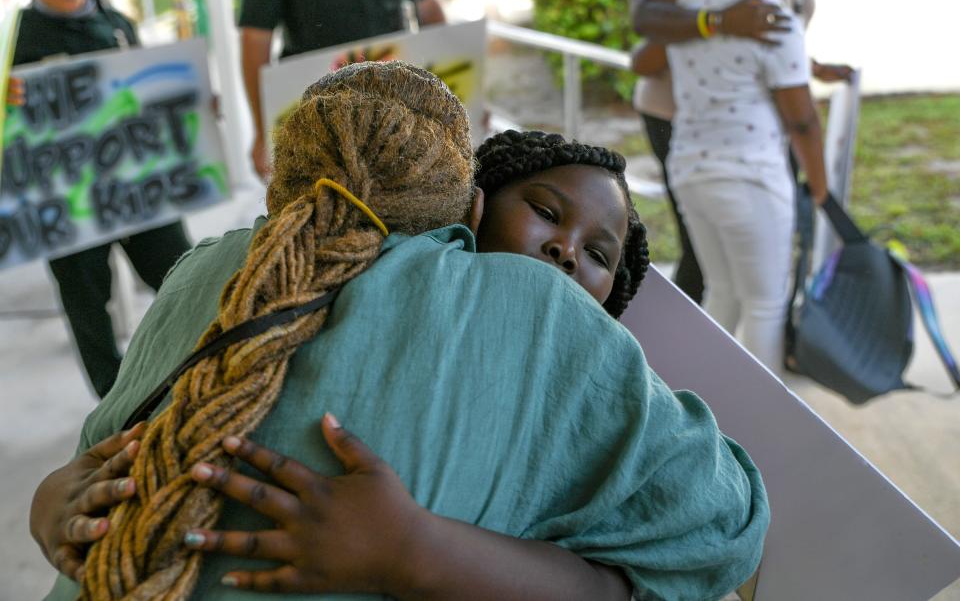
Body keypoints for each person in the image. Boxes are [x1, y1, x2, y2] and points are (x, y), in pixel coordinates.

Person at [34, 62, 768, 600]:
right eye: (544, 210)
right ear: (469, 211)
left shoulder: (209, 267)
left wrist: (51, 504)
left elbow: (97, 457)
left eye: (600, 254)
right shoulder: (543, 321)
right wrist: (422, 552)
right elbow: (726, 529)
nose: (565, 249)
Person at [635, 0, 827, 374]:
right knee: (765, 305)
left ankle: (701, 401)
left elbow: (645, 56)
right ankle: (762, 431)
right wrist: (819, 188)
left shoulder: (692, 3)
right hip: (749, 177)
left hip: (691, 169)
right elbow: (801, 118)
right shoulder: (769, 15)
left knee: (721, 290)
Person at [9, 0, 191, 398]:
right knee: (89, 306)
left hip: (138, 186)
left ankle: (198, 371)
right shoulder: (15, 41)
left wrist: (186, 104)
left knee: (184, 276)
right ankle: (115, 408)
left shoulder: (116, 24)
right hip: (66, 199)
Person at [238, 0, 446, 179]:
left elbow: (429, 8)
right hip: (323, 124)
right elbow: (255, 40)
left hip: (399, 112)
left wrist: (454, 96)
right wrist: (262, 130)